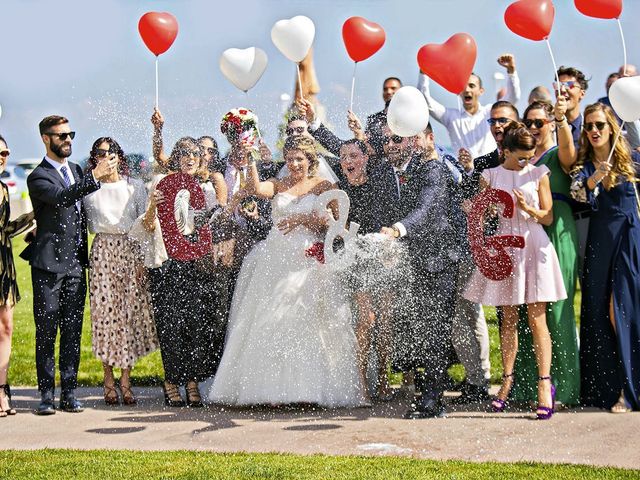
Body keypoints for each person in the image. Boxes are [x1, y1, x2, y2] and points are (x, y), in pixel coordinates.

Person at [208, 135, 366, 407]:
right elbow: (256, 187)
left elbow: (338, 225)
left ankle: (306, 390)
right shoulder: (279, 184)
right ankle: (270, 390)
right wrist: (251, 157)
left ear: (310, 160)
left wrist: (304, 219)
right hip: (275, 257)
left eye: (299, 159)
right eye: (290, 159)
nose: (294, 164)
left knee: (303, 320)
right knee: (272, 319)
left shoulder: (323, 185)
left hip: (306, 259)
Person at [464, 122, 567, 420]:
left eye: (530, 156)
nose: (527, 162)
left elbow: (548, 218)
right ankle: (506, 382)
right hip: (506, 248)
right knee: (507, 319)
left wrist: (529, 209)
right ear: (505, 151)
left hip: (534, 246)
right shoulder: (490, 176)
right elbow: (481, 217)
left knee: (537, 320)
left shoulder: (539, 173)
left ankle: (545, 385)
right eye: (521, 157)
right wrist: (479, 212)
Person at [22, 115, 116, 415]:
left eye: (70, 134)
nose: (68, 140)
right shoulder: (37, 177)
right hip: (48, 266)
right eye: (61, 136)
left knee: (73, 331)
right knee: (47, 330)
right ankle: (47, 395)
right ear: (45, 139)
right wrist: (94, 178)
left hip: (76, 264)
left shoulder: (76, 169)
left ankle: (70, 393)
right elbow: (62, 198)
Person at [369, 124, 460, 418]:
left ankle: (433, 401)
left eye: (397, 139)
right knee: (420, 329)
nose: (391, 145)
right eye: (386, 140)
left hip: (440, 260)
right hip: (413, 263)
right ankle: (427, 393)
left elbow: (427, 208)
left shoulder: (431, 168)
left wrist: (398, 229)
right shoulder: (385, 173)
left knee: (435, 329)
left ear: (410, 140)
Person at [143, 137, 225, 408]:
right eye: (184, 154)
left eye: (195, 153)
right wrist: (153, 206)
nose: (190, 158)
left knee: (195, 325)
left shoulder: (206, 186)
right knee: (170, 325)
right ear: (176, 158)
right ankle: (171, 381)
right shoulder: (162, 184)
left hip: (197, 266)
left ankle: (192, 381)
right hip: (168, 264)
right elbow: (148, 226)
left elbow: (215, 220)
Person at [570, 103, 640, 413]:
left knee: (622, 307)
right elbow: (577, 196)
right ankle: (606, 386)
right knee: (598, 312)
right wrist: (593, 179)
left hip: (628, 238)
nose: (594, 131)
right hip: (599, 241)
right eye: (589, 126)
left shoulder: (632, 162)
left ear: (612, 127)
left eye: (599, 124)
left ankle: (628, 388)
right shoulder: (583, 166)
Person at [511, 98, 580, 406]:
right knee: (531, 315)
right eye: (530, 123)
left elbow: (569, 156)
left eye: (540, 122)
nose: (535, 128)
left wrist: (563, 120)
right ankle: (529, 387)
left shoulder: (557, 155)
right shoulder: (524, 159)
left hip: (557, 230)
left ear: (550, 124)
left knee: (558, 310)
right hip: (526, 234)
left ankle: (564, 389)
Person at [83, 137, 158, 406]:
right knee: (105, 317)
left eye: (110, 151)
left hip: (129, 249)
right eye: (100, 153)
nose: (106, 156)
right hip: (102, 249)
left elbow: (143, 228)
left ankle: (126, 381)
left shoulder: (134, 187)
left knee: (127, 316)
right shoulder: (89, 188)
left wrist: (141, 262)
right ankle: (107, 379)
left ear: (118, 155)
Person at [418, 54, 521, 158]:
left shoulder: (490, 112)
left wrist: (511, 71)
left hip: (490, 170)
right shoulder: (451, 116)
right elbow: (425, 101)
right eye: (463, 86)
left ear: (481, 91)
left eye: (472, 86)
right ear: (459, 92)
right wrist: (424, 71)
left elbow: (512, 98)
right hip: (463, 172)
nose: (467, 90)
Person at [0, 135, 35, 416]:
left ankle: (2, 390)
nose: (3, 157)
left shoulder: (3, 189)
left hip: (3, 266)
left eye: (6, 152)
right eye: (0, 152)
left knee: (6, 328)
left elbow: (5, 230)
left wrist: (33, 218)